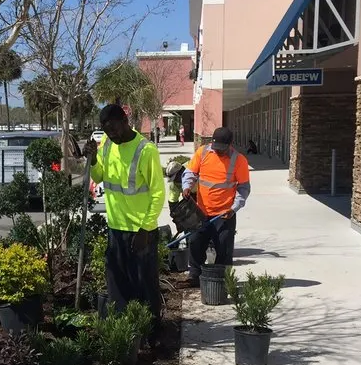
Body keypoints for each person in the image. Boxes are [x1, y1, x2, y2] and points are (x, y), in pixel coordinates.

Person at [82, 104, 166, 331]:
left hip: (140, 231)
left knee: (145, 286)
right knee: (117, 284)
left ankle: (151, 332)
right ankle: (124, 331)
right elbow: (99, 177)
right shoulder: (107, 145)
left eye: (115, 130)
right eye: (107, 131)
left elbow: (158, 193)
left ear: (125, 121)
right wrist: (92, 159)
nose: (113, 135)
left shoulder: (145, 150)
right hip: (115, 228)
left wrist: (146, 229)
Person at [182, 127, 251, 286]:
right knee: (195, 242)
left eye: (222, 148)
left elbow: (243, 188)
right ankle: (194, 276)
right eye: (216, 147)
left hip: (224, 215)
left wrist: (234, 208)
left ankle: (222, 280)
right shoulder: (203, 152)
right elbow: (190, 173)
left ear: (230, 144)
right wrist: (187, 187)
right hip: (201, 212)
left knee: (224, 248)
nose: (218, 151)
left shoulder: (239, 160)